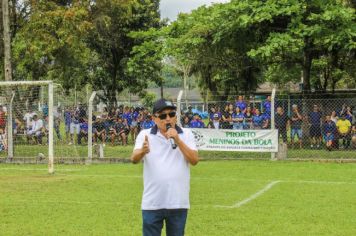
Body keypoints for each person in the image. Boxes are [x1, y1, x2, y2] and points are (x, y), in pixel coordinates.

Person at [131, 98, 199, 236]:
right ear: (154, 118)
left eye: (172, 114)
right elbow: (134, 158)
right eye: (163, 116)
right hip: (152, 203)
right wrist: (143, 151)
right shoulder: (145, 134)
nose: (168, 119)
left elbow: (194, 160)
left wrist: (178, 140)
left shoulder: (186, 134)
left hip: (178, 202)